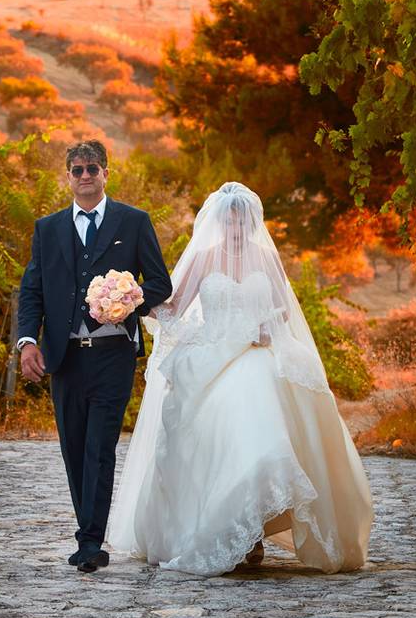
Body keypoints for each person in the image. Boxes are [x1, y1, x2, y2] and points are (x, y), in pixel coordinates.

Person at [107, 182, 373, 576]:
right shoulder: (205, 258)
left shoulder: (266, 257)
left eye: (242, 218)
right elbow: (175, 306)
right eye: (230, 218)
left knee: (265, 437)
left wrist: (267, 324)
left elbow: (283, 307)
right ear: (219, 220)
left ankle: (253, 532)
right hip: (212, 358)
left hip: (259, 354)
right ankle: (228, 529)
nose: (236, 225)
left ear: (252, 221)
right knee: (219, 439)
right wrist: (130, 299)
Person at [16, 139, 172, 573]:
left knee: (101, 447)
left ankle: (90, 543)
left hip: (112, 355)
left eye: (92, 169)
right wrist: (27, 341)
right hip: (64, 357)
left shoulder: (134, 222)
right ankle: (88, 531)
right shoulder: (47, 229)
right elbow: (32, 292)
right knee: (74, 448)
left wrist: (128, 302)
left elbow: (160, 283)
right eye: (78, 170)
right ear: (67, 176)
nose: (85, 176)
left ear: (106, 173)